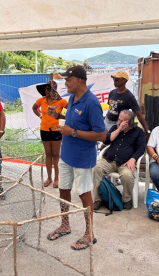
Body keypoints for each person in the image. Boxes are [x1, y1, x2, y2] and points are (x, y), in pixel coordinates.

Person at [45, 65, 106, 251]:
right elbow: (74, 120)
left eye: (68, 80)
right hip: (66, 155)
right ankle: (65, 224)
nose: (65, 83)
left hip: (82, 158)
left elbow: (101, 135)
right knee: (63, 190)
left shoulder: (92, 103)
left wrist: (72, 133)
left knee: (84, 194)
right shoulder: (72, 98)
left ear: (78, 80)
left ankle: (89, 233)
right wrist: (59, 115)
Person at [92, 110, 146, 210]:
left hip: (125, 163)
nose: (119, 122)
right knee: (96, 168)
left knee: (127, 175)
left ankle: (126, 199)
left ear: (129, 122)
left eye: (122, 121)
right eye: (119, 120)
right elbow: (106, 140)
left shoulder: (138, 132)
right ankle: (97, 199)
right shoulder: (114, 128)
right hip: (110, 160)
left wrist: (133, 159)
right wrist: (119, 129)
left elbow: (141, 148)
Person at [32, 80, 67, 188]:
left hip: (56, 130)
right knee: (48, 155)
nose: (46, 90)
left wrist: (63, 118)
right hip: (44, 130)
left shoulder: (61, 101)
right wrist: (40, 116)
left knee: (56, 155)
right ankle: (49, 178)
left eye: (48, 88)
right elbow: (34, 108)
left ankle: (57, 179)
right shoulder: (41, 100)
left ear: (53, 89)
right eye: (45, 89)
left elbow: (70, 109)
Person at [104, 71, 151, 138]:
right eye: (114, 79)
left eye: (117, 79)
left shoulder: (129, 97)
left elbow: (138, 114)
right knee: (105, 140)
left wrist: (147, 130)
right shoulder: (112, 92)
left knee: (113, 142)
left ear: (124, 80)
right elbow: (110, 108)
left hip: (117, 124)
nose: (114, 81)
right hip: (107, 121)